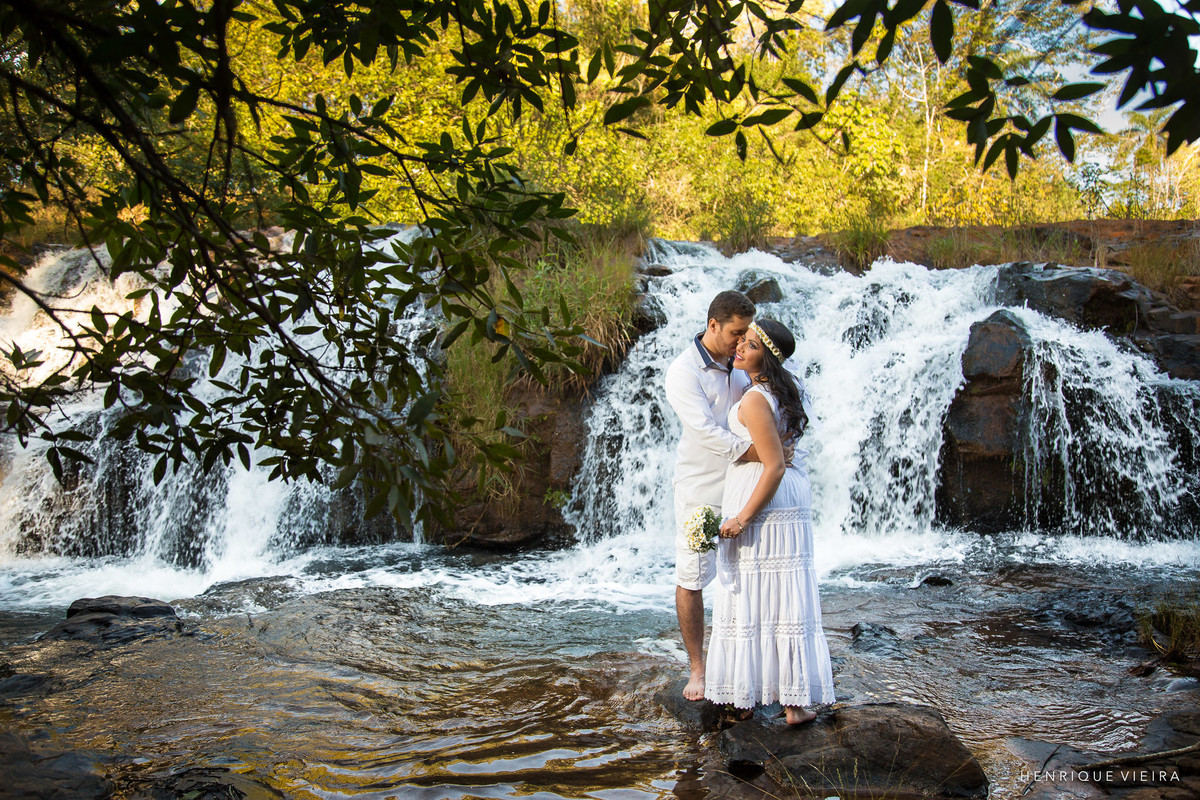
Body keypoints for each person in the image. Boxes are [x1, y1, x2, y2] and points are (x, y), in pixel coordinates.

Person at [704, 317, 835, 725]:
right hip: (790, 497)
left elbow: (773, 465)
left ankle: (744, 697)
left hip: (766, 498)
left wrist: (742, 517)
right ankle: (794, 703)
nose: (740, 347)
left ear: (767, 359)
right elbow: (783, 456)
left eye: (752, 345)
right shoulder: (788, 391)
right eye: (742, 339)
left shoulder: (756, 400)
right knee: (785, 591)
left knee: (750, 589)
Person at [664, 290, 758, 701]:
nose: (741, 343)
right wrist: (758, 452)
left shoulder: (741, 366)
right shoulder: (683, 371)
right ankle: (698, 669)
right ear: (713, 324)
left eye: (746, 335)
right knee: (693, 575)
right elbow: (704, 430)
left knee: (747, 575)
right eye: (736, 333)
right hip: (701, 493)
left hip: (743, 488)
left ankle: (742, 663)